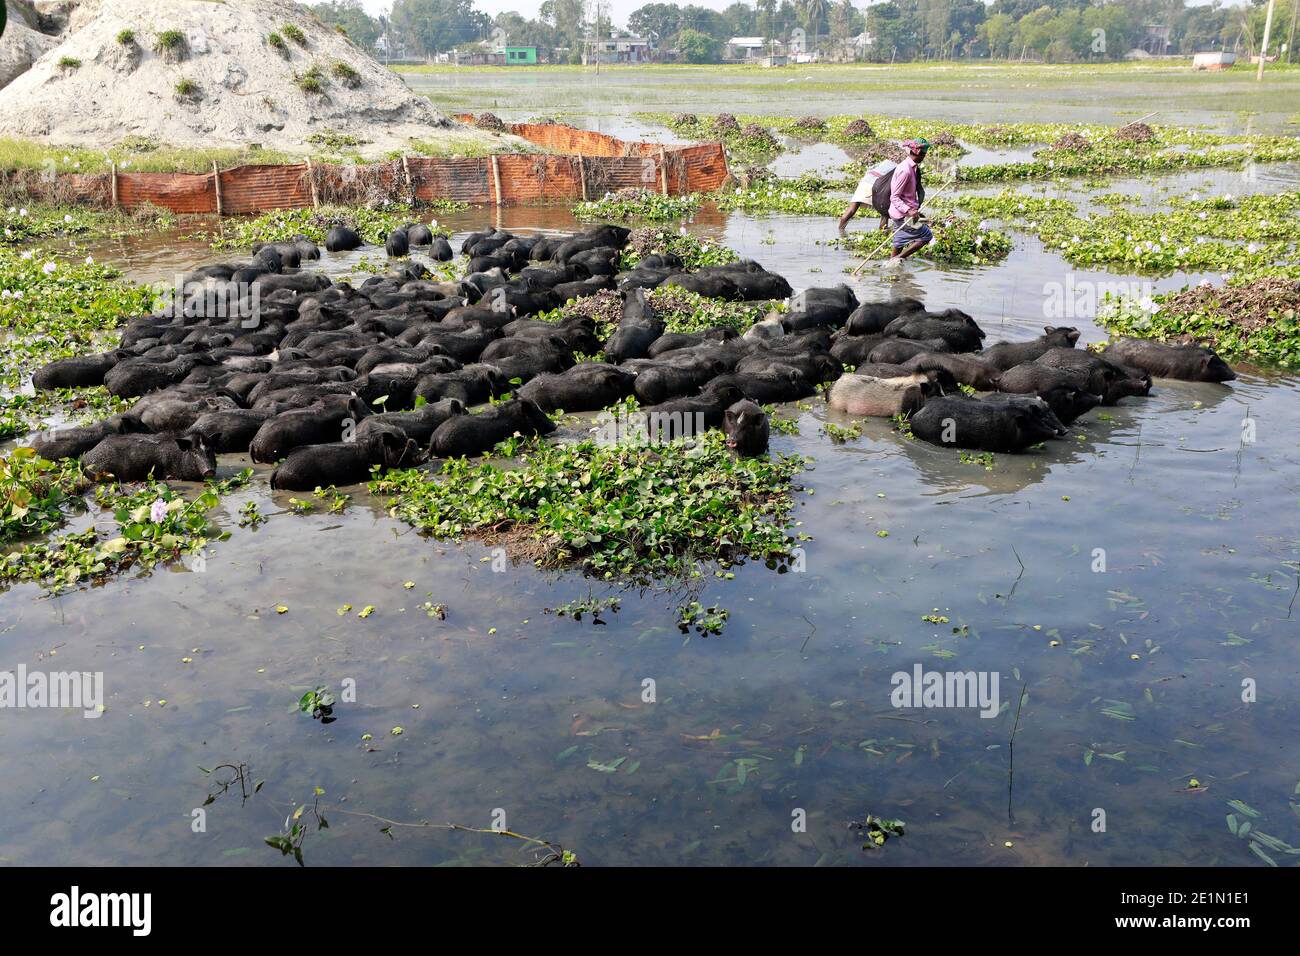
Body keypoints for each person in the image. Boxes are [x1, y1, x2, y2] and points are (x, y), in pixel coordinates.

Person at [886, 138, 933, 260]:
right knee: (926, 235)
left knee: (899, 242)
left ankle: (893, 267)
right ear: (918, 153)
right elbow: (894, 197)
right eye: (924, 154)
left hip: (899, 213)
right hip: (903, 215)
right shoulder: (905, 170)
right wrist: (909, 210)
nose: (924, 157)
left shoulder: (912, 167)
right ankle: (898, 259)